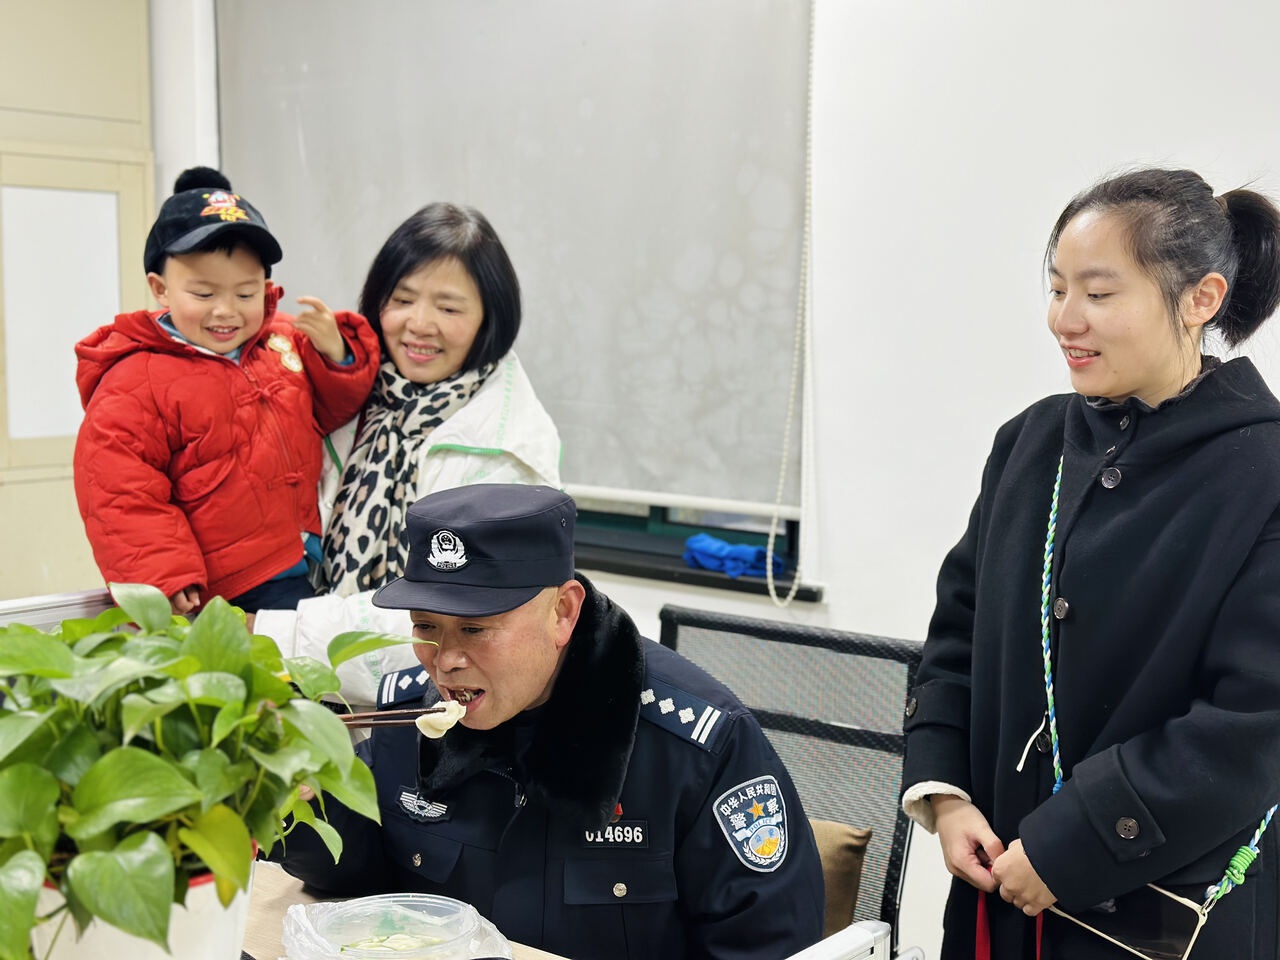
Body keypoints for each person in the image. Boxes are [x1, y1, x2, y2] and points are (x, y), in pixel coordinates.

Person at [901, 168, 1280, 959]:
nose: (1063, 320)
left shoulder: (1265, 472)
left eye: (1099, 295)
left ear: (1201, 299)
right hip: (999, 897)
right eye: (1057, 287)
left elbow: (1252, 724)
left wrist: (1075, 843)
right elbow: (958, 635)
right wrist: (946, 794)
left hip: (1166, 917)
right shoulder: (1030, 443)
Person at [273, 483, 825, 960]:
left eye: (474, 630)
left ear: (562, 612)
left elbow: (768, 945)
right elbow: (359, 877)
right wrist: (292, 797)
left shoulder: (697, 744)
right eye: (425, 627)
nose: (444, 661)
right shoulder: (411, 719)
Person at [254, 203, 560, 704]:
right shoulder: (342, 399)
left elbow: (444, 619)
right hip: (301, 702)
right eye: (403, 299)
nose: (419, 325)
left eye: (449, 307)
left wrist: (268, 633)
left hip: (430, 721)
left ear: (489, 319)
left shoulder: (512, 448)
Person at [74, 167, 380, 614]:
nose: (226, 311)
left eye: (245, 293)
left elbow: (332, 412)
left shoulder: (281, 340)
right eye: (203, 294)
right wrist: (163, 577)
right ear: (160, 289)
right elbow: (121, 492)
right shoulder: (136, 378)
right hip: (224, 586)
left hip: (308, 561)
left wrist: (335, 354)